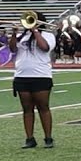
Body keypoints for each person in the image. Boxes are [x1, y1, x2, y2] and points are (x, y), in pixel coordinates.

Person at [10, 16, 56, 148]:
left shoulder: (48, 35)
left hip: (41, 76)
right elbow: (12, 49)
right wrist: (13, 34)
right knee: (27, 109)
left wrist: (35, 31)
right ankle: (29, 138)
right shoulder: (21, 36)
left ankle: (48, 138)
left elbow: (44, 47)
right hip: (22, 75)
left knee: (43, 107)